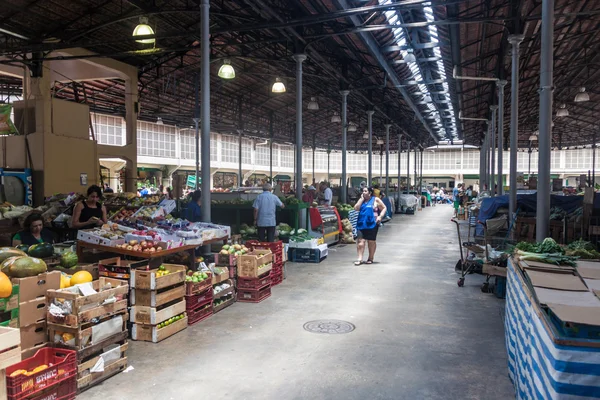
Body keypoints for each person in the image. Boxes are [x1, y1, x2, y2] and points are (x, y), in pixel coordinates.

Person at [354, 187, 387, 265]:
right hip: (361, 223)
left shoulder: (376, 200)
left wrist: (380, 216)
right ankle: (360, 258)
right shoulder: (361, 200)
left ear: (370, 193)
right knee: (360, 241)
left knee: (371, 241)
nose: (363, 192)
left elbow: (384, 208)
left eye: (365, 191)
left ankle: (370, 258)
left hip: (372, 223)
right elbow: (356, 208)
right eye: (363, 191)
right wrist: (361, 199)